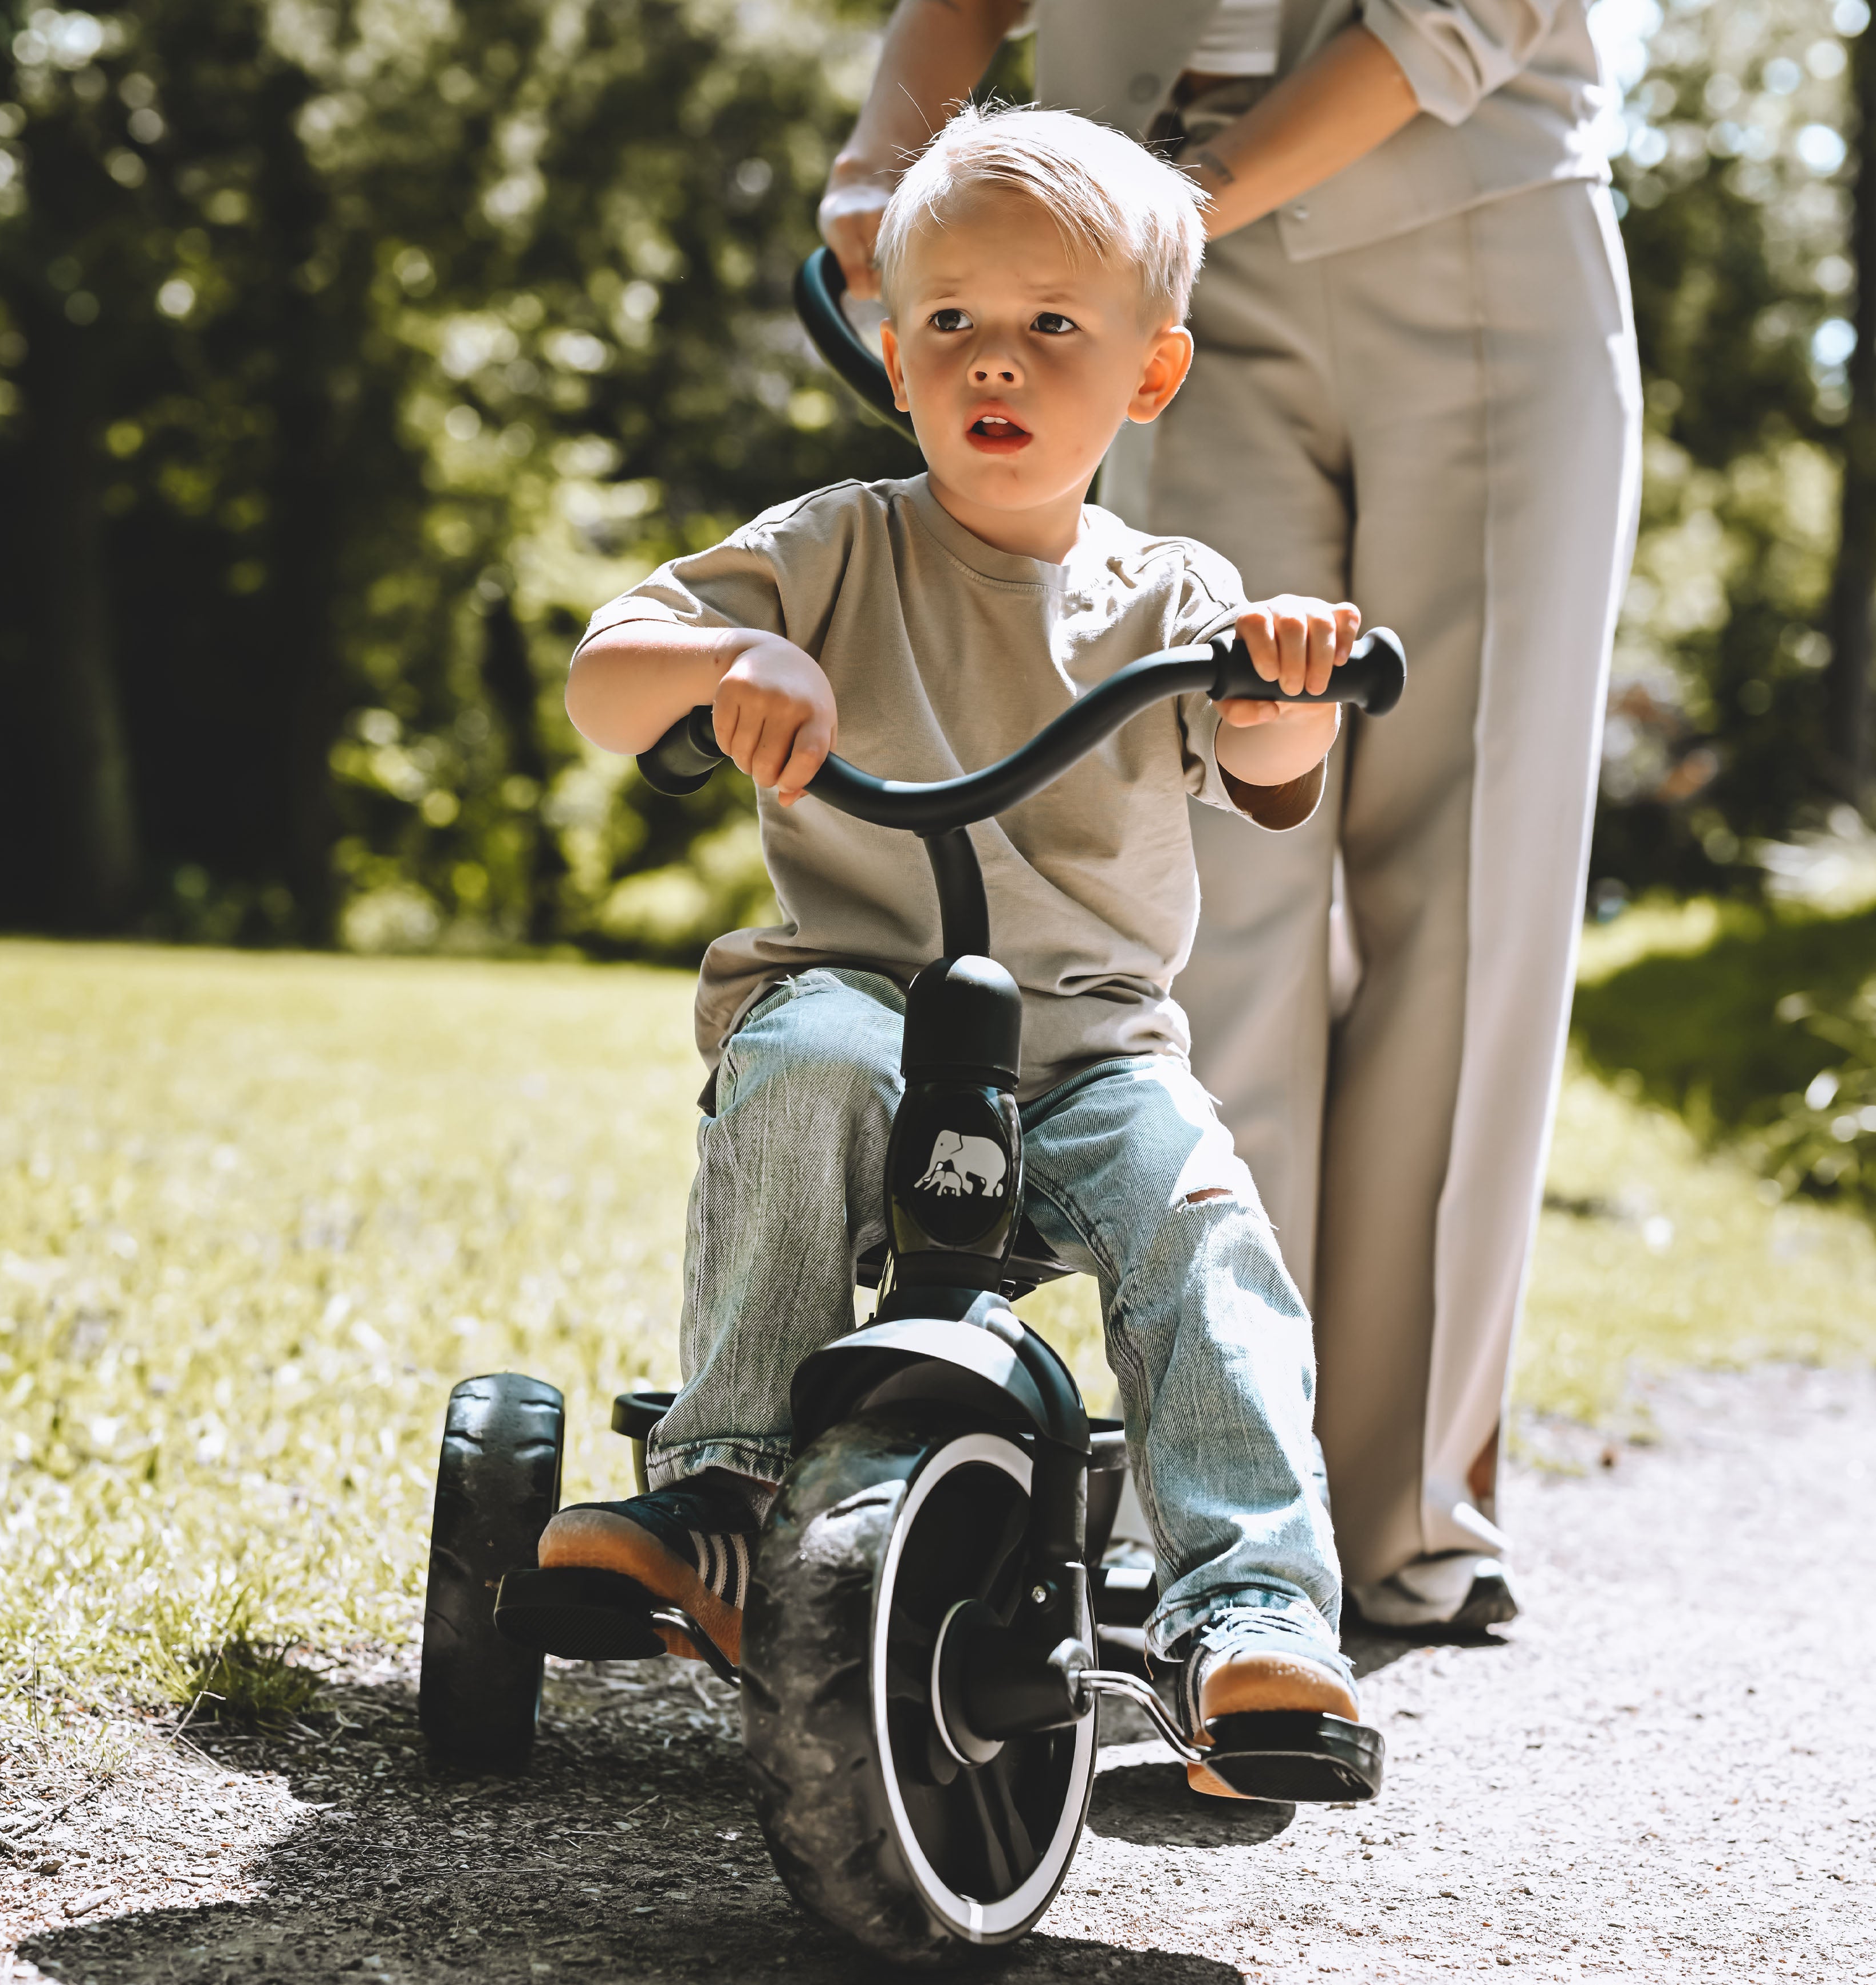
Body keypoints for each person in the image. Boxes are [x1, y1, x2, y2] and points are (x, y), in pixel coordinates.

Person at [537, 105, 1389, 1782]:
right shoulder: (831, 547)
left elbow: (1269, 758)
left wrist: (1286, 678)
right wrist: (722, 670)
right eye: (952, 324)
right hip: (856, 997)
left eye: (1052, 327)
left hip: (1088, 1048)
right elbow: (604, 671)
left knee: (1202, 1230)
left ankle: (1251, 1617)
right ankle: (728, 1492)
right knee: (803, 1067)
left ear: (1149, 375)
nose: (995, 361)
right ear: (892, 349)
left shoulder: (1170, 596)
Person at [820, 0, 1642, 1630]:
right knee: (1186, 865)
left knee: (1468, 887)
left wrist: (1149, 217)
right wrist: (885, 166)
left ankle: (1405, 1508)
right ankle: (1207, 1494)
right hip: (1123, 278)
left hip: (1470, 222)